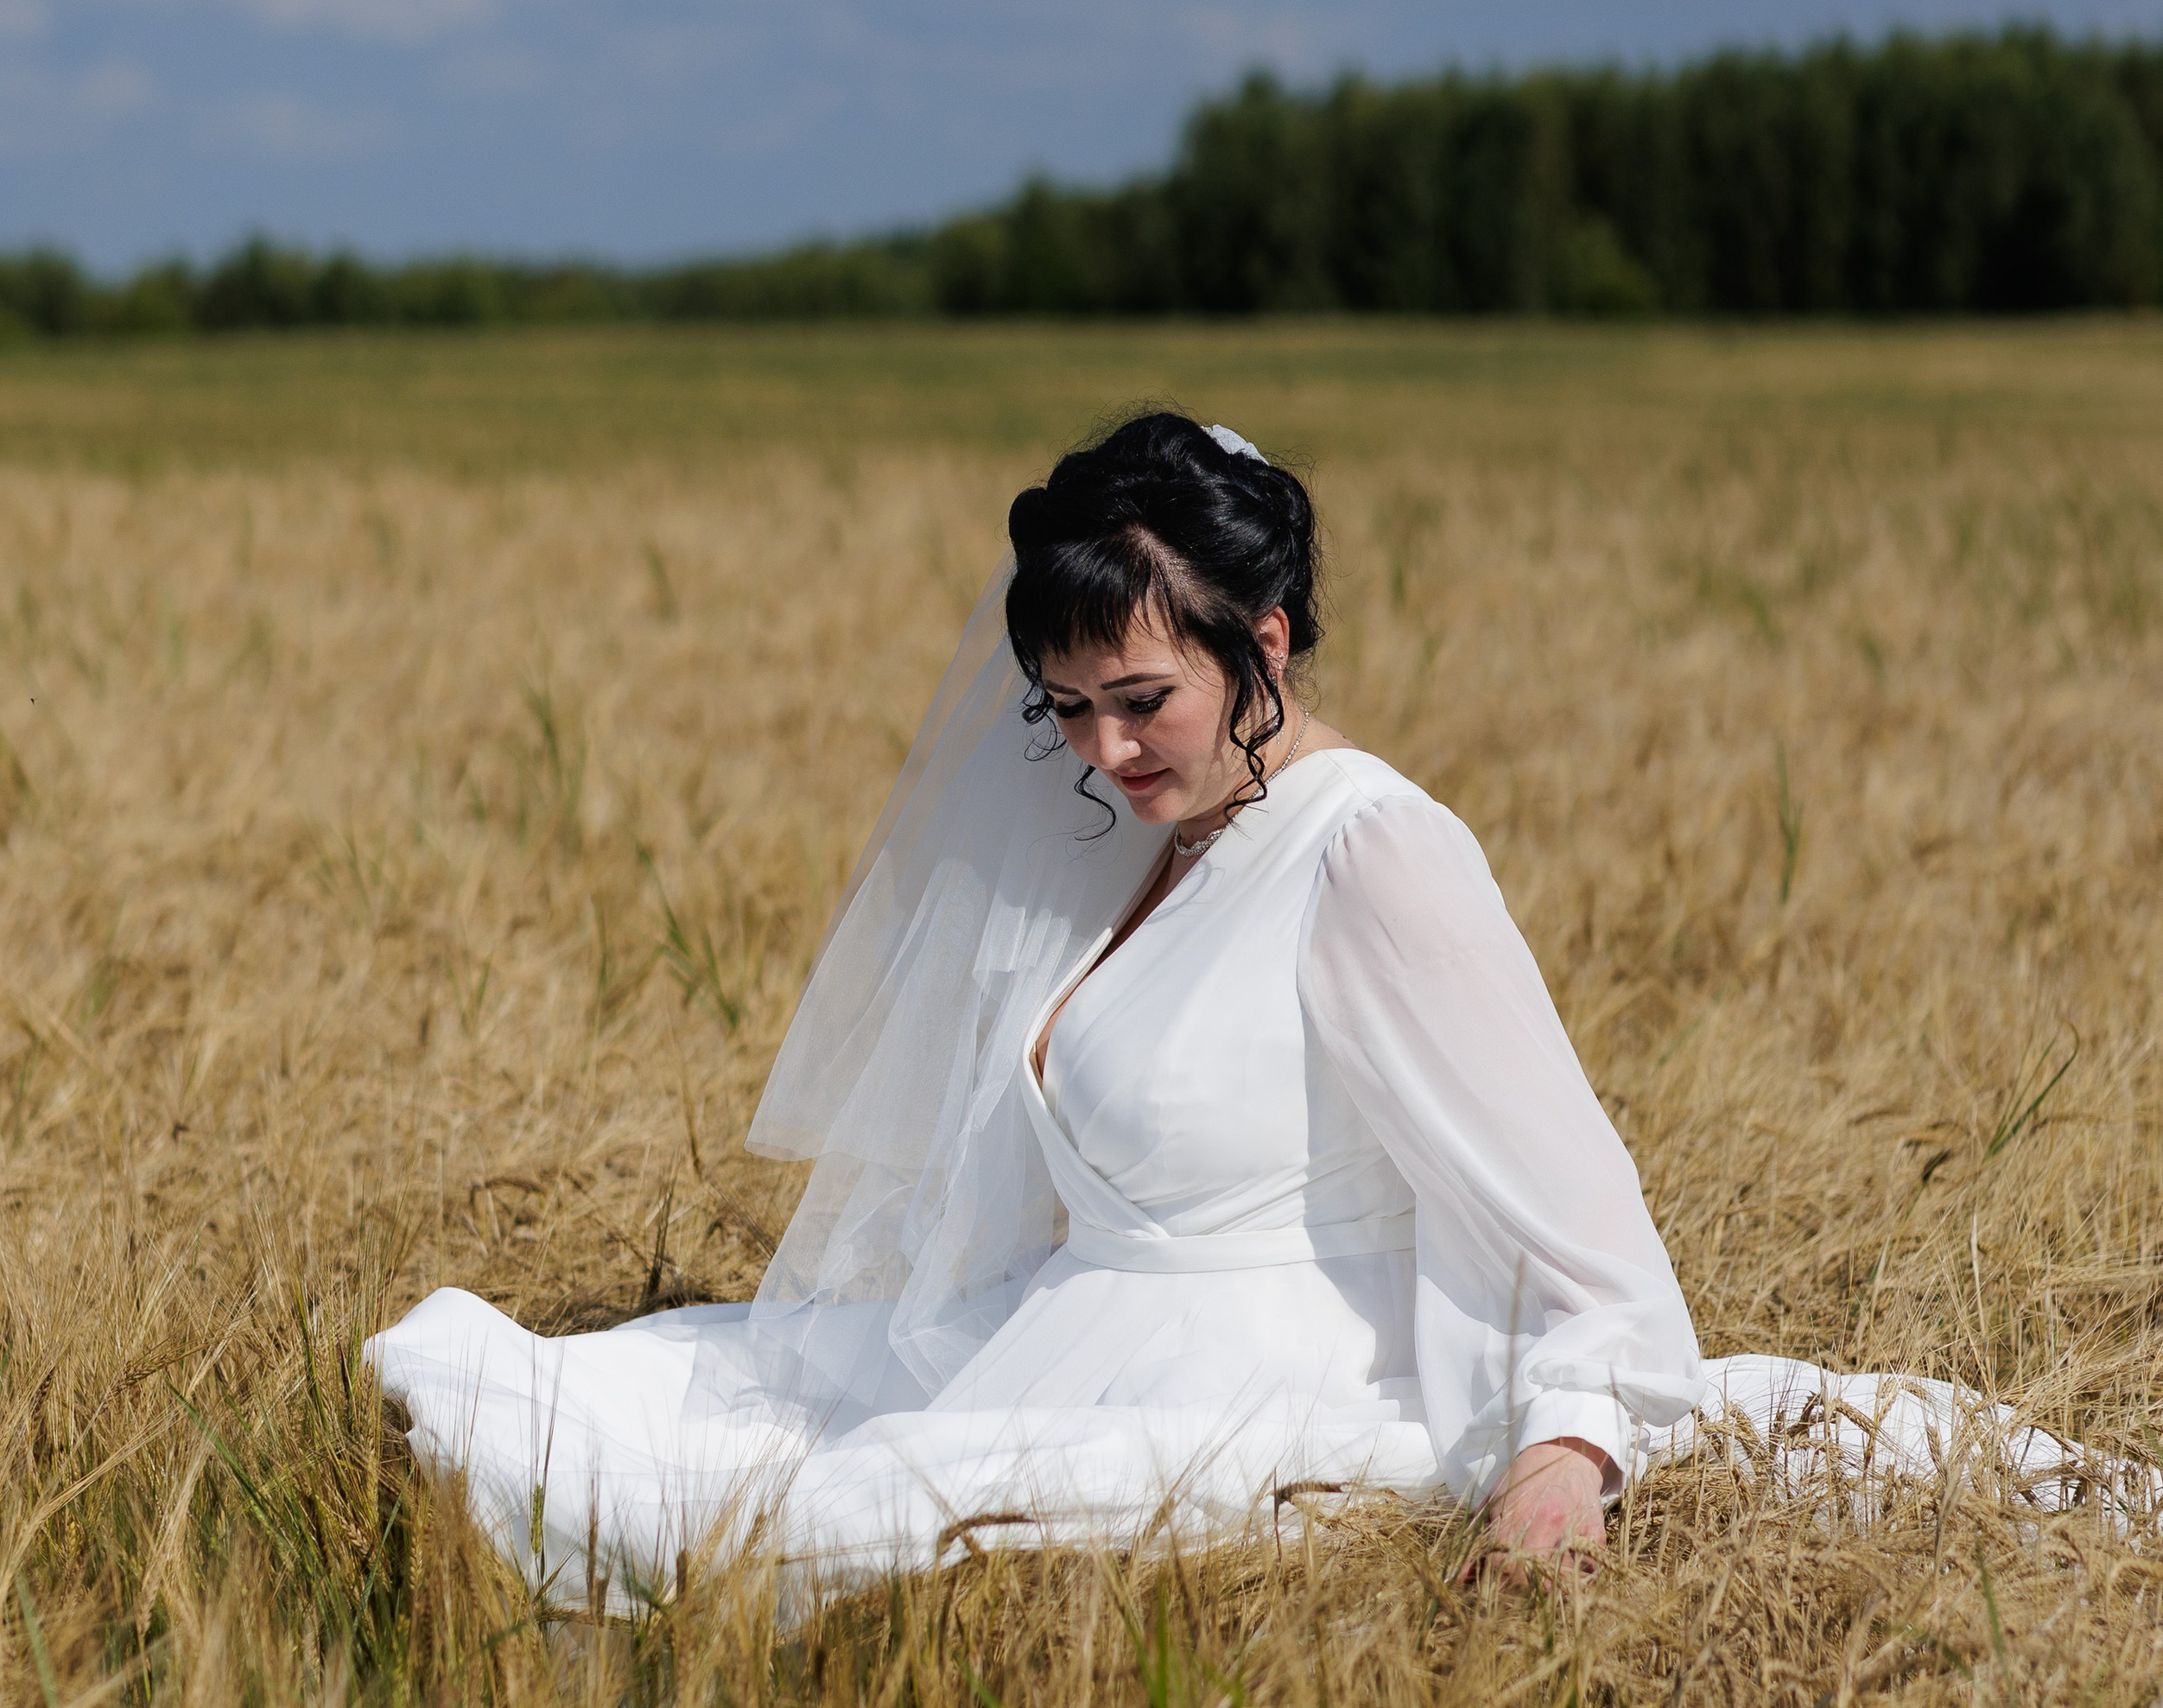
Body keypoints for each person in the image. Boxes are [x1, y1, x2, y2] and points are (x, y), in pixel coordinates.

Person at [369, 414, 2073, 1603]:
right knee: (605, 1399)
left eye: (1142, 700)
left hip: (1264, 1372)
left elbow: (1590, 1240)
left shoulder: (1371, 855)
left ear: (1263, 645)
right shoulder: (1149, 840)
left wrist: (1558, 1464)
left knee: (821, 1519)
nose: (1104, 756)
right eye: (1064, 713)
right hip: (1069, 1335)